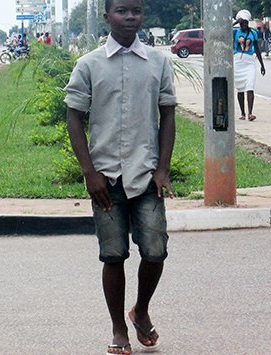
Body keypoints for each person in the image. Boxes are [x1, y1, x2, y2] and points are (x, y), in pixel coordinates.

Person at [64, 0, 176, 354]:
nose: (130, 17)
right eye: (122, 11)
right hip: (106, 178)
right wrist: (89, 172)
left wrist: (162, 169)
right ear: (106, 15)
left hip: (146, 174)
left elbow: (168, 116)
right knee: (113, 255)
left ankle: (140, 310)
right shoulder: (89, 65)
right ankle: (118, 329)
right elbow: (74, 118)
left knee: (156, 251)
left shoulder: (159, 63)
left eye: (136, 11)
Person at [233, 10, 266, 121]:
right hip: (238, 62)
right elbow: (224, 31)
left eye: (245, 23)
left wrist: (262, 65)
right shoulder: (235, 32)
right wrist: (236, 22)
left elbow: (257, 49)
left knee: (250, 87)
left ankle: (250, 113)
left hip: (249, 62)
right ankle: (242, 113)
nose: (244, 25)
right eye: (242, 23)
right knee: (240, 89)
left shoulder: (253, 33)